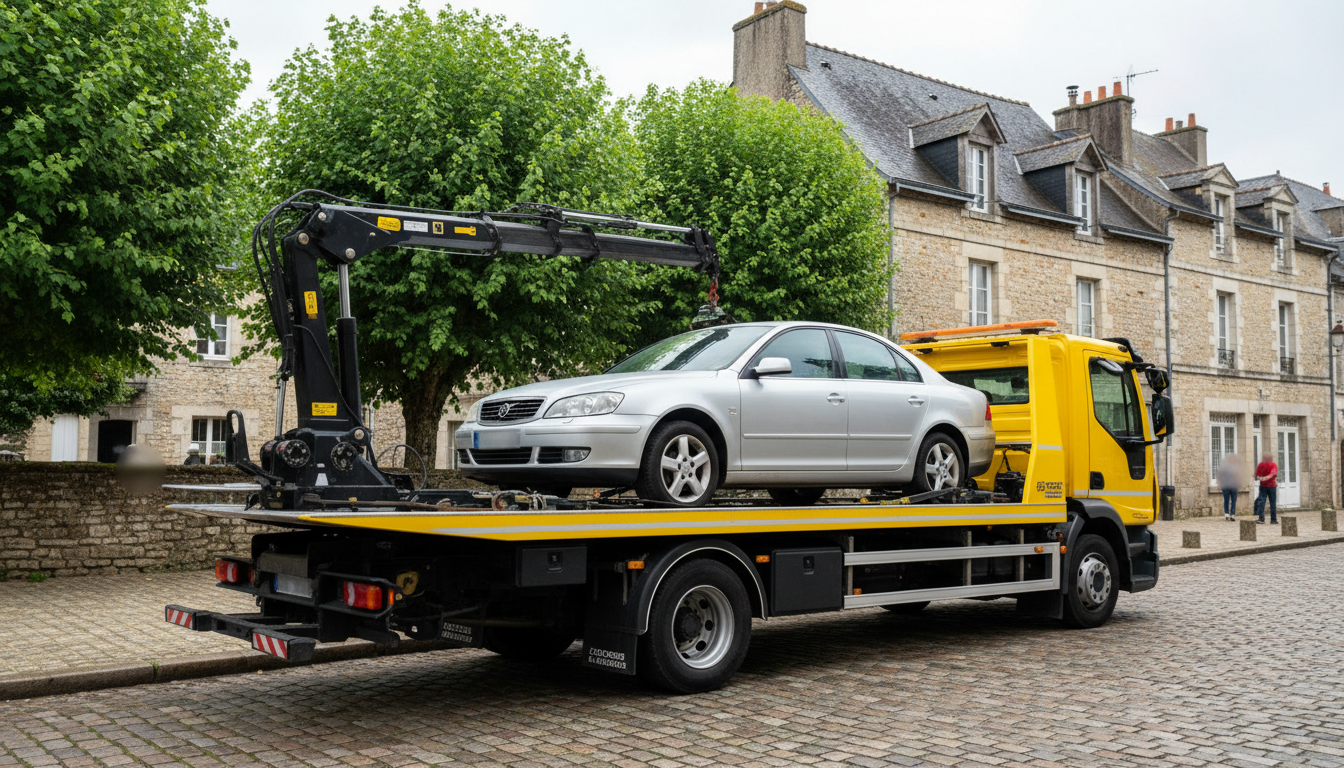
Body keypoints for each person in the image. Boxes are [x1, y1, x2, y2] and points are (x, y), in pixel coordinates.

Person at [1254, 451, 1278, 524]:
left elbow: (1256, 477)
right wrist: (1267, 477)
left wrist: (1261, 478)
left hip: (1263, 486)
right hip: (1272, 486)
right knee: (1272, 503)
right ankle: (1273, 519)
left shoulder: (1260, 465)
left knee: (1262, 502)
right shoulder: (1273, 465)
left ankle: (1261, 518)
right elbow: (1273, 474)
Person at [1217, 454, 1241, 520]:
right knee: (1232, 500)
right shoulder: (1236, 467)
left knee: (1227, 500)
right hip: (1231, 485)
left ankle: (1227, 514)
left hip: (1227, 485)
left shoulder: (1224, 467)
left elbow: (1219, 476)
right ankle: (1231, 514)